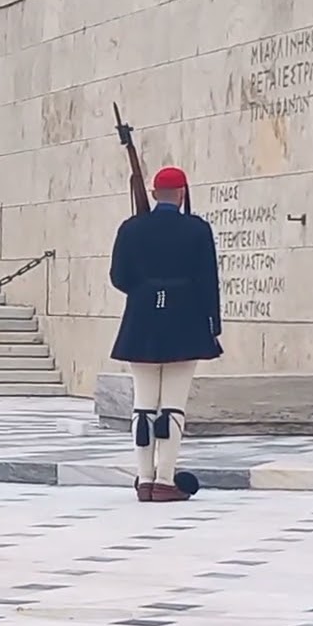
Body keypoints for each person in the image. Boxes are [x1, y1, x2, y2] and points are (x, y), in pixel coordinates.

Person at [108, 166, 223, 503]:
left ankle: (144, 480)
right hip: (184, 321)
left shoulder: (131, 229)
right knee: (172, 405)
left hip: (141, 319)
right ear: (183, 194)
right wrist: (212, 324)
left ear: (156, 194)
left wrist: (147, 290)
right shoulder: (196, 229)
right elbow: (208, 281)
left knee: (143, 405)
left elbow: (119, 277)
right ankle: (165, 479)